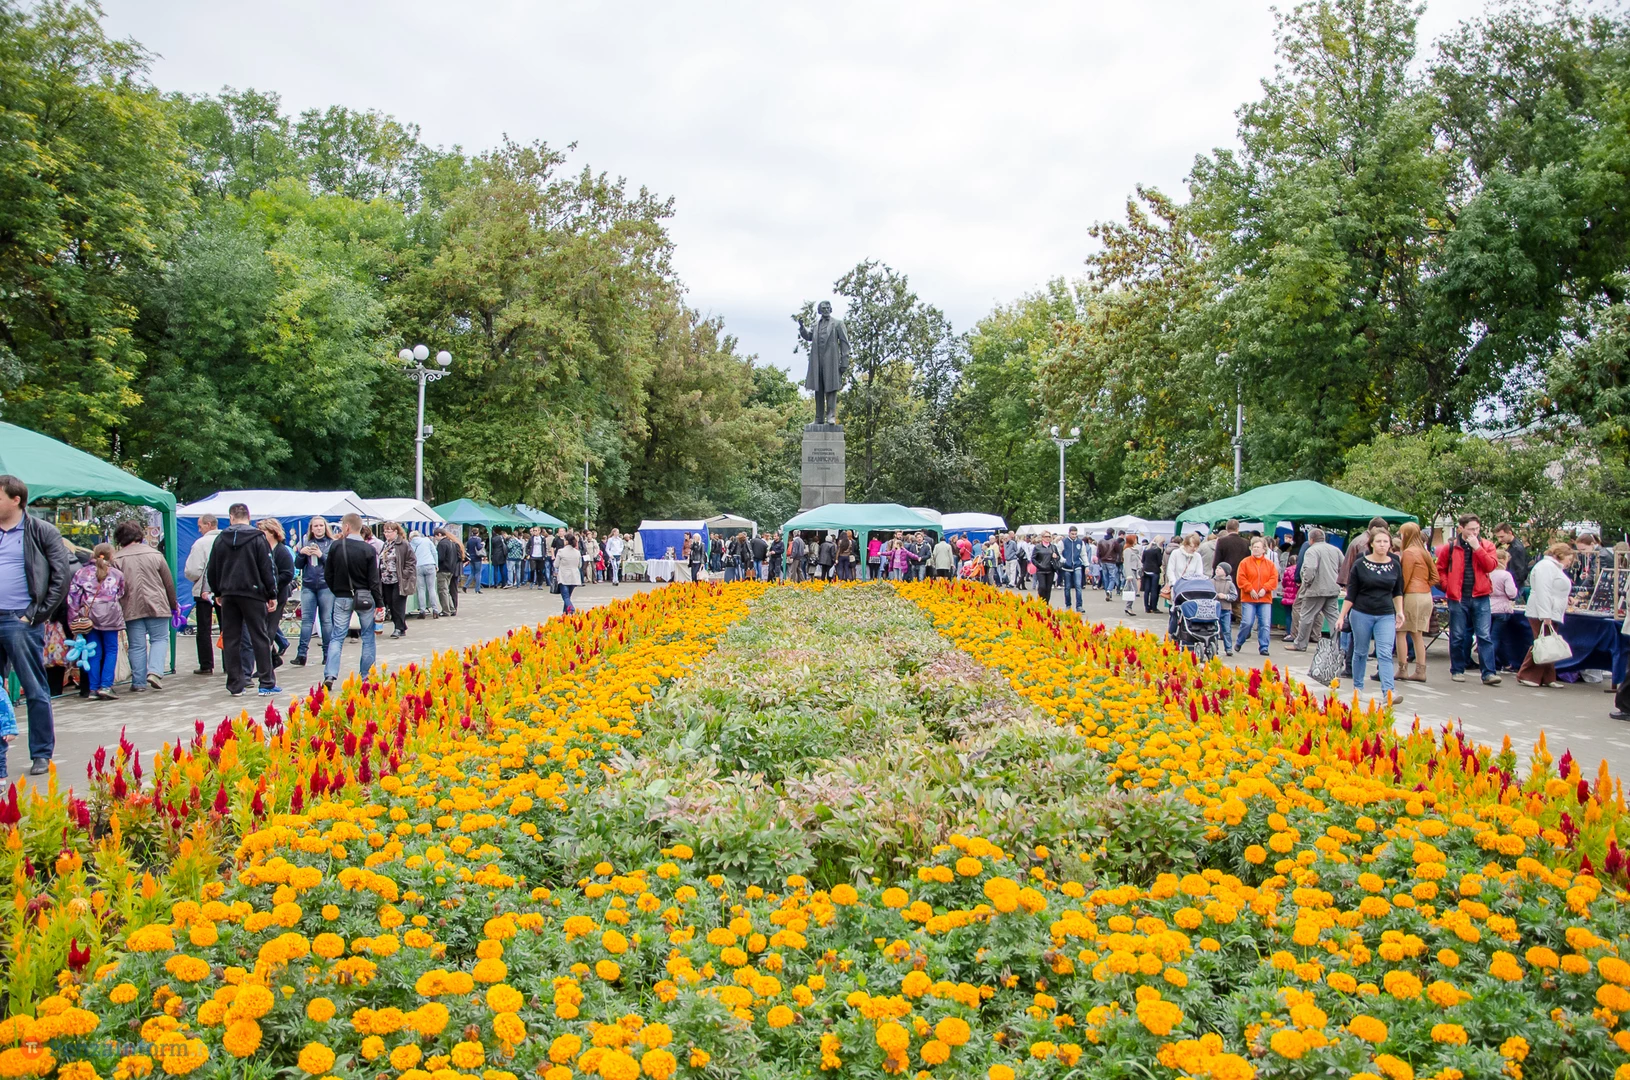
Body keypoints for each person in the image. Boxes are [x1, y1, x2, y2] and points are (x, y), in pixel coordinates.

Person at [205, 502, 278, 697]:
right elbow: (267, 567)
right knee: (259, 636)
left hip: (228, 593)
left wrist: (217, 591)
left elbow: (212, 568)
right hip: (253, 593)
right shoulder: (258, 538)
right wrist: (272, 593)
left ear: (231, 517)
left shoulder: (220, 539)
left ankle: (235, 684)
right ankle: (266, 682)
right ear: (249, 517)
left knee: (231, 638)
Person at [1336, 526, 1406, 703]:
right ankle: (1358, 688)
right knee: (1360, 651)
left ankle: (1389, 692)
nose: (1382, 544)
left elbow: (1398, 591)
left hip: (1386, 614)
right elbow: (1351, 594)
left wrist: (1400, 611)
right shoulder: (1360, 564)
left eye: (1385, 541)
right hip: (1361, 613)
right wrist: (1341, 616)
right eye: (1379, 541)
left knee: (1385, 653)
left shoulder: (1395, 564)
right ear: (1372, 544)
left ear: (1390, 544)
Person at [1436, 513, 1501, 685]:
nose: (1474, 532)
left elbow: (1490, 566)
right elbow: (1440, 569)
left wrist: (1477, 548)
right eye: (1471, 529)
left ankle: (1489, 673)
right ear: (1461, 529)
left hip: (1481, 595)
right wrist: (1447, 586)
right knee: (1457, 635)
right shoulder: (1450, 548)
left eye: (1477, 529)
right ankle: (1457, 669)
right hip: (1458, 597)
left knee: (1484, 635)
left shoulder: (1486, 545)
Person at [113, 520, 177, 693]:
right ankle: (155, 672)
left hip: (130, 605)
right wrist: (173, 605)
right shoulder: (155, 554)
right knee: (159, 639)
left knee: (136, 645)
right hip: (157, 603)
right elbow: (168, 583)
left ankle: (138, 682)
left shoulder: (117, 559)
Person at [323, 513, 382, 690]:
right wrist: (379, 602)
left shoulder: (336, 546)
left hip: (342, 596)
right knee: (368, 637)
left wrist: (337, 590)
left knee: (337, 637)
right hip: (364, 597)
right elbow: (374, 580)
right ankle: (366, 677)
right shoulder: (368, 550)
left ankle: (330, 675)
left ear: (347, 526)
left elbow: (328, 574)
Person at [68, 543, 125, 701]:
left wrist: (73, 619)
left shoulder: (81, 573)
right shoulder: (117, 574)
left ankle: (93, 689)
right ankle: (106, 686)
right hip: (111, 616)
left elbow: (73, 598)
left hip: (90, 617)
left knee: (94, 651)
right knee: (111, 650)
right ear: (111, 556)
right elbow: (121, 593)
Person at [1517, 542, 1576, 688]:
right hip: (1542, 611)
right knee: (1542, 643)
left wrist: (1565, 598)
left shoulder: (1551, 567)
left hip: (1549, 610)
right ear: (1561, 555)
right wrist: (1545, 614)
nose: (1570, 562)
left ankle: (1547, 677)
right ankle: (1527, 674)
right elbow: (1543, 591)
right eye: (1569, 558)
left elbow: (1552, 589)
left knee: (1548, 643)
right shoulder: (1546, 567)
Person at [1396, 522, 1438, 682]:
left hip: (1411, 596)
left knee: (1400, 632)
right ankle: (1421, 670)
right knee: (1418, 634)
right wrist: (1424, 585)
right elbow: (1435, 577)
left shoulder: (1408, 553)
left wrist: (1399, 596)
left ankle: (1402, 669)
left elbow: (1405, 578)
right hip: (1426, 595)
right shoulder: (1424, 552)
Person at [1288, 529, 1342, 651]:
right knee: (1334, 618)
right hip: (1332, 589)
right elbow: (1343, 567)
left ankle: (1300, 644)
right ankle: (1338, 645)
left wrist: (1306, 582)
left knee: (1306, 617)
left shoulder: (1311, 550)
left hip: (1315, 589)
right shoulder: (1335, 550)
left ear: (1311, 540)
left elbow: (1310, 568)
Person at [252, 518, 294, 675]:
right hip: (263, 594)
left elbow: (288, 574)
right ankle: (273, 658)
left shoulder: (282, 551)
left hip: (278, 594)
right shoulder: (261, 550)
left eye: (263, 531)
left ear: (272, 533)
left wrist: (272, 583)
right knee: (263, 629)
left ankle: (266, 667)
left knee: (269, 630)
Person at [292, 518, 335, 666]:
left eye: (321, 525)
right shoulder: (306, 542)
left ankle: (327, 654)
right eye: (315, 526)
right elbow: (298, 565)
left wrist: (320, 554)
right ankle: (301, 654)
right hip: (308, 585)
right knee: (306, 621)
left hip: (325, 586)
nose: (318, 528)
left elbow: (333, 564)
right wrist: (301, 554)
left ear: (325, 527)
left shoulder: (331, 543)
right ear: (311, 528)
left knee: (326, 621)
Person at [183, 513, 220, 675]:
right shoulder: (226, 539)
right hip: (225, 589)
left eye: (200, 526)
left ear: (209, 524)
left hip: (204, 589)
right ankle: (230, 663)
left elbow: (192, 570)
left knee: (204, 629)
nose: (199, 530)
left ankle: (206, 664)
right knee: (228, 627)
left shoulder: (200, 544)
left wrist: (195, 579)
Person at [1235, 537, 1278, 657]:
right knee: (1247, 622)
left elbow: (1274, 579)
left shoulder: (1270, 564)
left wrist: (1265, 589)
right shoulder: (1244, 562)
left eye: (1258, 547)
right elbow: (1241, 579)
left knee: (1265, 624)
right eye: (1253, 547)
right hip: (1249, 598)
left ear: (1264, 549)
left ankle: (1264, 647)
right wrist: (1250, 589)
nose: (1255, 549)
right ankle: (1240, 641)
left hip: (1265, 599)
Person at [378, 521, 417, 639]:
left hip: (399, 580)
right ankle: (402, 626)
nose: (386, 534)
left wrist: (405, 573)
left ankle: (398, 628)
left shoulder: (403, 544)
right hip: (386, 579)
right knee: (390, 603)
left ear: (396, 532)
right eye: (385, 532)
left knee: (397, 604)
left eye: (389, 531)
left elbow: (411, 560)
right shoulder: (385, 544)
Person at [1489, 550, 1520, 675]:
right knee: (1496, 638)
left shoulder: (1488, 573)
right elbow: (1512, 593)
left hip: (1487, 607)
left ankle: (1504, 663)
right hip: (1502, 608)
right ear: (1503, 560)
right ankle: (1489, 664)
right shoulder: (1506, 575)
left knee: (1490, 636)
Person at [410, 527, 440, 617]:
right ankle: (435, 610)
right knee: (431, 588)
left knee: (421, 589)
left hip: (418, 566)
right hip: (430, 564)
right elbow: (435, 552)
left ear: (410, 537)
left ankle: (422, 610)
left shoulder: (410, 544)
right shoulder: (427, 541)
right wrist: (436, 564)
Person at [1494, 523, 1530, 592]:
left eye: (1502, 537)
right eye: (1498, 537)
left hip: (1514, 586)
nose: (1499, 540)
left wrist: (1510, 587)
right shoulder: (1511, 545)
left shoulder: (1516, 548)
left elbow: (1519, 572)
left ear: (1510, 533)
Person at [1211, 562, 1238, 654]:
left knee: (1226, 630)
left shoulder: (1230, 584)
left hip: (1225, 610)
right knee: (1214, 629)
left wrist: (1225, 596)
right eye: (1217, 568)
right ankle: (1214, 648)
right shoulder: (1211, 582)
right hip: (1214, 610)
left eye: (1220, 568)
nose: (1217, 570)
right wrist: (1215, 596)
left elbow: (1234, 596)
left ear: (1226, 572)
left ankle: (1228, 648)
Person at [1060, 526, 1086, 614]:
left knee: (1078, 586)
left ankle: (1079, 606)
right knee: (1067, 587)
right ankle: (1068, 605)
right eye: (1072, 534)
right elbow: (1059, 552)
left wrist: (1087, 565)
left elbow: (1083, 554)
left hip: (1077, 565)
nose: (1074, 536)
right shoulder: (1063, 542)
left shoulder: (1080, 542)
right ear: (1069, 533)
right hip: (1066, 567)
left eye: (1075, 534)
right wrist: (1063, 560)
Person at [435, 527, 461, 616]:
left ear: (439, 534)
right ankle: (452, 608)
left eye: (435, 536)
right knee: (447, 590)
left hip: (443, 569)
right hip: (451, 569)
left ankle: (446, 610)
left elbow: (440, 558)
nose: (435, 538)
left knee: (442, 590)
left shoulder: (441, 544)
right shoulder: (452, 543)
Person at [556, 534, 584, 614]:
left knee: (565, 597)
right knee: (568, 596)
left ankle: (571, 609)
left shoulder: (561, 551)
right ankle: (565, 613)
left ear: (566, 541)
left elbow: (556, 564)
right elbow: (580, 565)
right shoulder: (577, 552)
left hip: (564, 576)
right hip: (574, 576)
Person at [1031, 531, 1059, 605]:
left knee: (1048, 588)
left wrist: (1056, 557)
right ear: (1042, 538)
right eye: (1046, 536)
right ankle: (1040, 602)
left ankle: (1046, 603)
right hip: (1041, 570)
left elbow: (1058, 557)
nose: (1048, 538)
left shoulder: (1053, 547)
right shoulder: (1037, 547)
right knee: (1042, 587)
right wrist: (1038, 565)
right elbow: (1033, 558)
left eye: (1049, 536)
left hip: (1050, 570)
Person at [1141, 537, 1164, 613]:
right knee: (1154, 590)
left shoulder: (1146, 550)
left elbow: (1142, 560)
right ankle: (1153, 607)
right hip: (1154, 571)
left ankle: (1146, 607)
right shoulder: (1157, 550)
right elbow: (1159, 562)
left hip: (1146, 571)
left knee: (1147, 590)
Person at [1280, 554, 1300, 641]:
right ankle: (1297, 632)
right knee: (1297, 615)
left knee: (1288, 615)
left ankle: (1289, 633)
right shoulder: (1300, 569)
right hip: (1297, 596)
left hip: (1288, 597)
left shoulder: (1287, 570)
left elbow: (1284, 583)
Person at [1121, 535, 1142, 615]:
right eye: (1135, 539)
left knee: (1133, 589)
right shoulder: (1127, 550)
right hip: (1130, 571)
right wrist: (1128, 575)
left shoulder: (1133, 550)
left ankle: (1128, 607)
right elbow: (1126, 563)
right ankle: (1128, 607)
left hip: (1134, 570)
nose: (1136, 540)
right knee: (1134, 589)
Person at [465, 528, 485, 593]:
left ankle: (465, 586)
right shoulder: (478, 539)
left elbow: (467, 548)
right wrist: (482, 545)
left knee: (472, 573)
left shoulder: (469, 540)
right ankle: (477, 589)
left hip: (471, 558)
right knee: (478, 573)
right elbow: (479, 547)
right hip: (477, 558)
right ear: (478, 533)